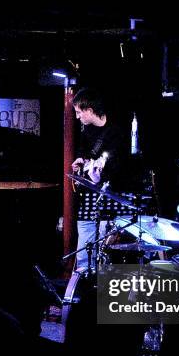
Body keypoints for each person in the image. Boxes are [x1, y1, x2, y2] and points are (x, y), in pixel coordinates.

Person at [70, 88, 129, 272]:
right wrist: (80, 160)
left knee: (106, 249)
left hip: (110, 195)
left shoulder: (117, 130)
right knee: (84, 249)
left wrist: (101, 173)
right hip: (88, 194)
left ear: (89, 109)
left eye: (79, 112)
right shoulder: (86, 129)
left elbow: (119, 165)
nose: (78, 117)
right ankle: (83, 285)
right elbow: (83, 150)